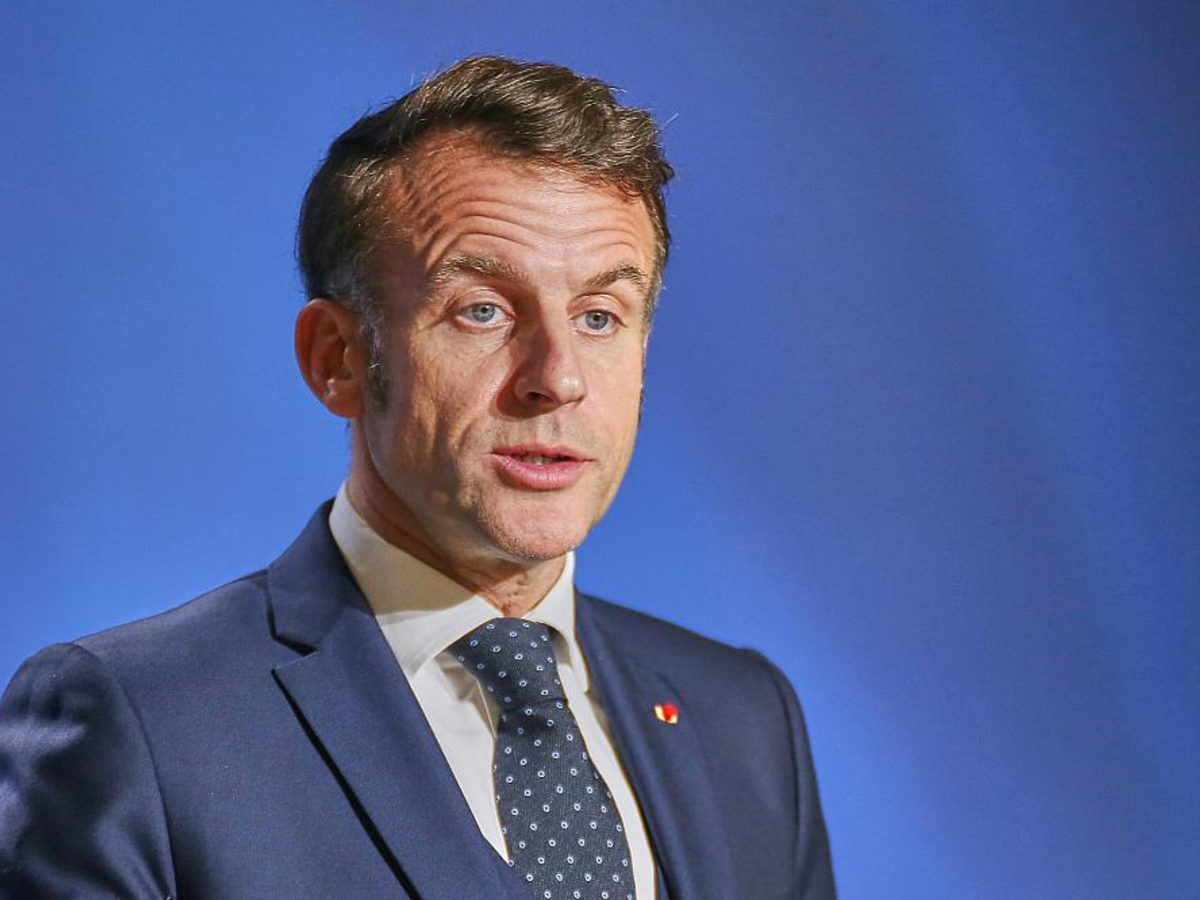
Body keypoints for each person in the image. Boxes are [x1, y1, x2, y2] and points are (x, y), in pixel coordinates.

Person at [0, 56, 835, 899]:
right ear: (337, 359)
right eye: (483, 310)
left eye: (598, 316)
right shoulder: (141, 721)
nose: (558, 377)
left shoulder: (743, 718)